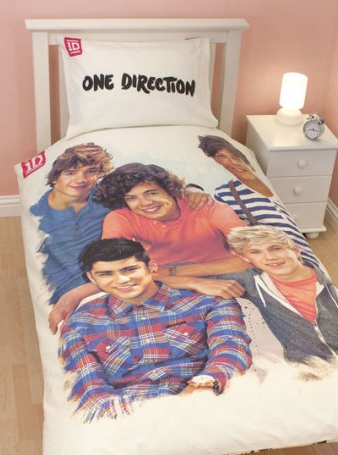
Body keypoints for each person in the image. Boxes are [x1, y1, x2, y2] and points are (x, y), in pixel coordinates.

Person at [59, 238, 252, 422]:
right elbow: (88, 386)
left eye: (130, 269)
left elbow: (231, 349)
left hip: (204, 402)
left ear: (151, 267)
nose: (122, 280)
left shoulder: (209, 301)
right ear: (91, 277)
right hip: (129, 417)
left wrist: (205, 386)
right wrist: (132, 417)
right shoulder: (80, 323)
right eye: (106, 274)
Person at [48, 162, 249, 333]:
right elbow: (113, 269)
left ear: (170, 190)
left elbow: (253, 257)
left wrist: (174, 271)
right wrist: (73, 294)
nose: (145, 203)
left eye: (151, 193)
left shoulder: (205, 207)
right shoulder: (121, 218)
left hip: (225, 273)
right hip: (162, 282)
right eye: (131, 198)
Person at [227, 225, 338, 366]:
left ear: (296, 250)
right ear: (245, 258)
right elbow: (210, 272)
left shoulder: (323, 282)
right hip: (305, 366)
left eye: (276, 248)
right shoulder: (251, 282)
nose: (270, 257)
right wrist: (207, 283)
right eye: (255, 252)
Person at [198, 134, 320, 269]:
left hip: (307, 260)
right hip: (283, 261)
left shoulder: (265, 180)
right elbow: (232, 236)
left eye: (235, 156)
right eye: (222, 158)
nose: (233, 163)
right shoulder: (225, 193)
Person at [30, 143, 113, 304]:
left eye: (91, 171)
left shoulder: (108, 198)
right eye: (70, 173)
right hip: (62, 284)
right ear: (56, 178)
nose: (81, 179)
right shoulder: (38, 212)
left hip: (105, 280)